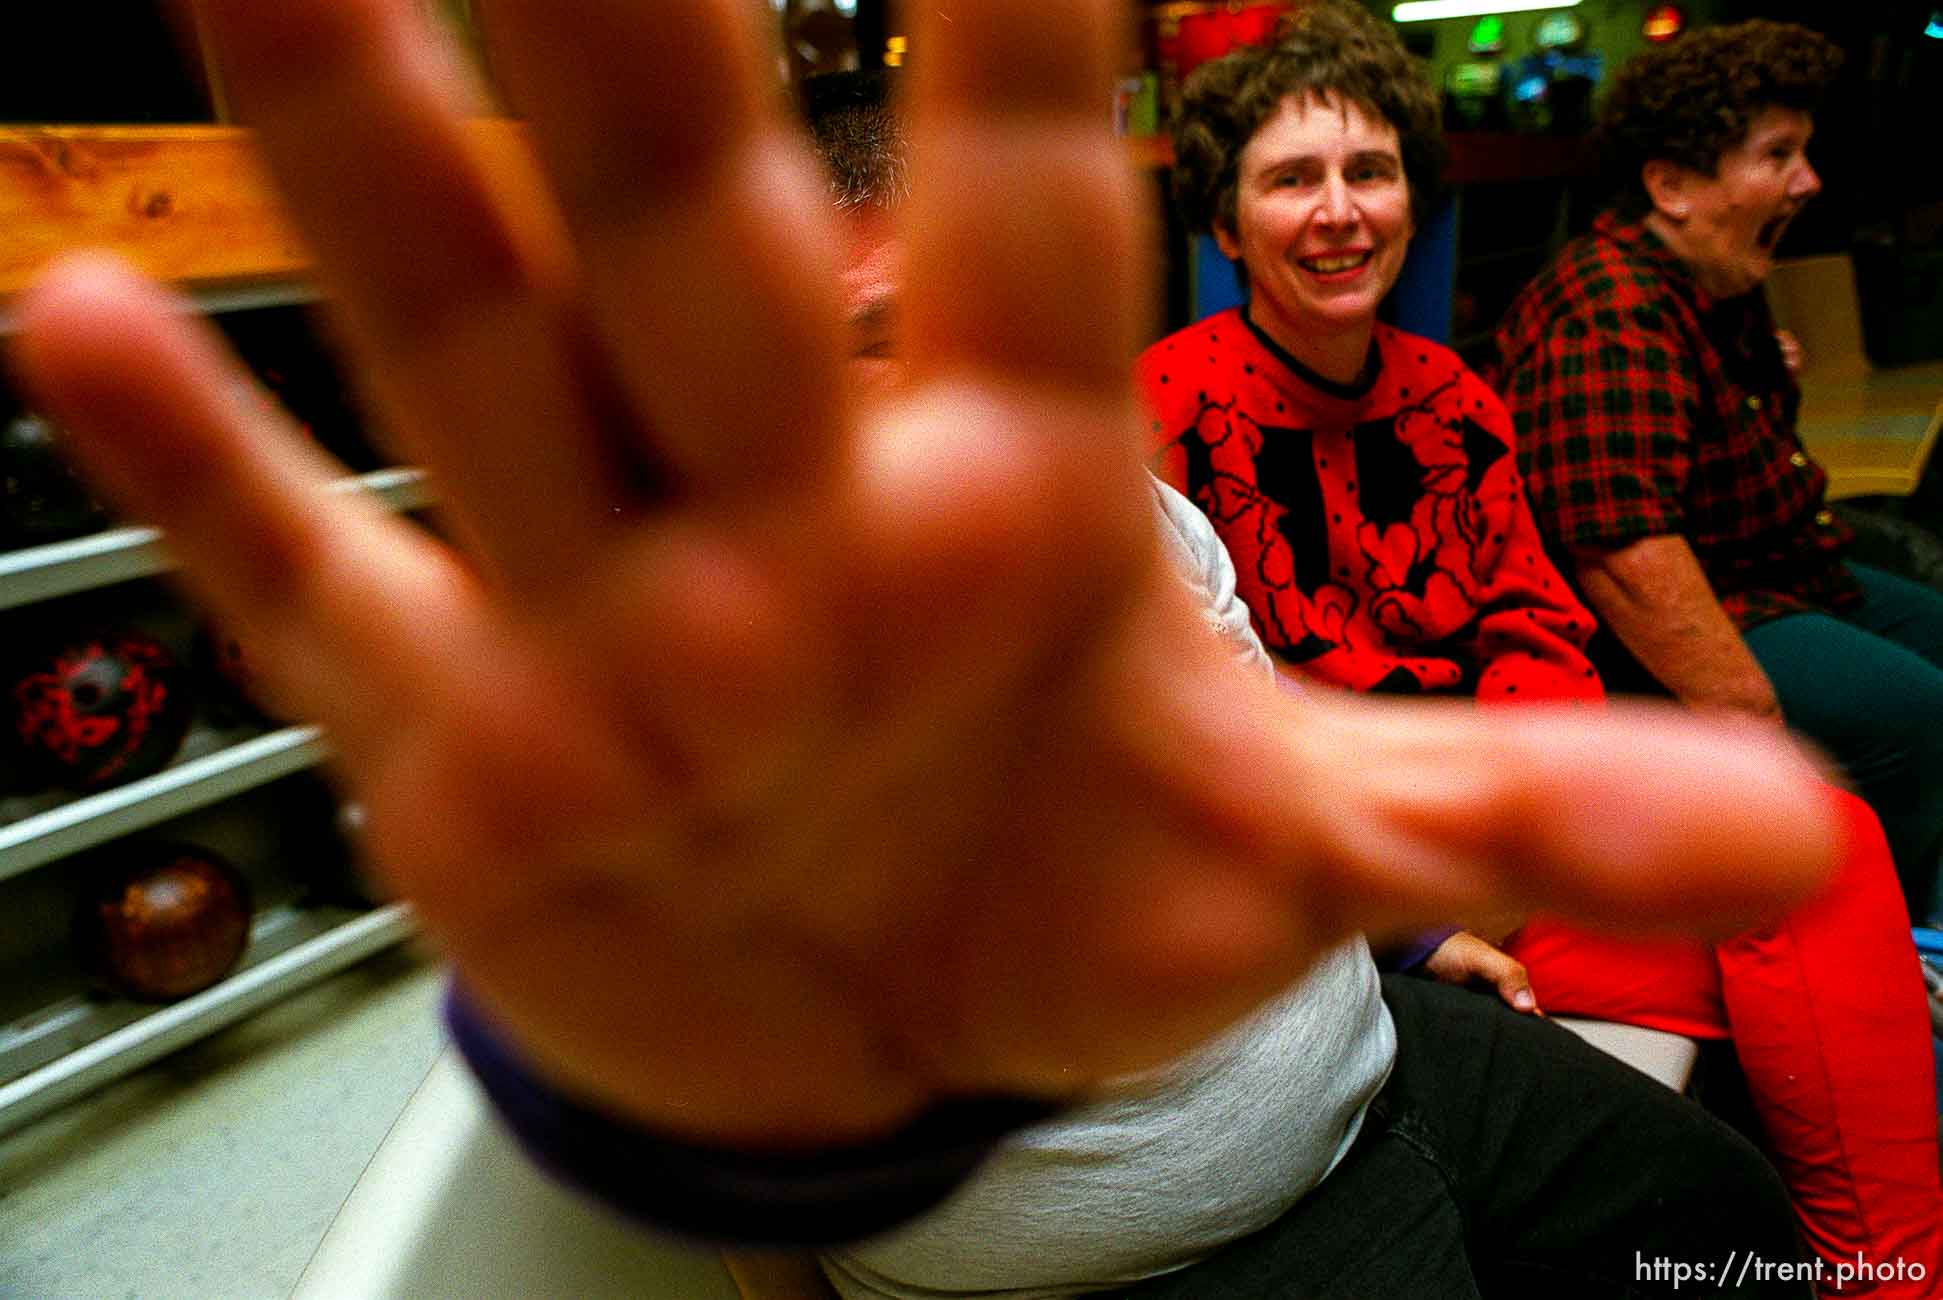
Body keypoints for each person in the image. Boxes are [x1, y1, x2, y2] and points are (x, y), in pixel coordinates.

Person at [5, 0, 1837, 1284]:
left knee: (1731, 1244)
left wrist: (1407, 915)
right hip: (1186, 1252)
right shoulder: (675, 678)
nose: (874, 430)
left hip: (1388, 1062)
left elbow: (1260, 765)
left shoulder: (1121, 516)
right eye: (811, 361)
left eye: (914, 350)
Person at [1136, 4, 1942, 1284]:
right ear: (1227, 226)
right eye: (1292, 179)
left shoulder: (1457, 399)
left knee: (1819, 840)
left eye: (1370, 170)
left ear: (1412, 200)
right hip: (1339, 908)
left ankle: (1883, 1273)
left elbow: (1536, 628)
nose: (1340, 210)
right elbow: (1189, 721)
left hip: (1502, 855)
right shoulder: (1160, 414)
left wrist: (1506, 833)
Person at [1494, 19, 1943, 927]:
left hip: (1773, 566)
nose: (1807, 181)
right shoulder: (1607, 310)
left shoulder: (1708, 276)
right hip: (1690, 609)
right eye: (1777, 154)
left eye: (1804, 152)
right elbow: (1620, 552)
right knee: (1919, 716)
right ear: (1670, 185)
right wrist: (1748, 719)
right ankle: (1901, 951)